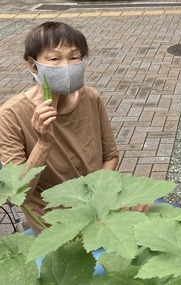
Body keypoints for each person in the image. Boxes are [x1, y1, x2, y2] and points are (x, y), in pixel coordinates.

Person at [0, 22, 119, 235]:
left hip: (98, 204)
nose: (66, 66)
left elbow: (110, 155)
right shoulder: (11, 115)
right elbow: (19, 194)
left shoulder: (91, 97)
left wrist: (97, 197)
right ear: (33, 65)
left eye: (74, 57)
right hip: (53, 220)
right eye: (54, 59)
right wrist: (43, 142)